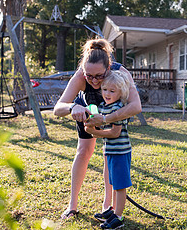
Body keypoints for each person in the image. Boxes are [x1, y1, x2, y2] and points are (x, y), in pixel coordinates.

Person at [53, 38, 141, 220]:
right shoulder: (80, 76)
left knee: (110, 154)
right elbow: (57, 108)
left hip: (114, 114)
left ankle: (108, 205)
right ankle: (72, 206)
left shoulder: (120, 72)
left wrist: (107, 118)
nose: (94, 81)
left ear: (108, 68)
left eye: (99, 76)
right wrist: (72, 107)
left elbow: (136, 106)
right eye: (89, 76)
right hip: (87, 112)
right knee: (84, 151)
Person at [85, 70, 132, 229]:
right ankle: (113, 210)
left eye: (112, 91)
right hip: (111, 151)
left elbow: (114, 132)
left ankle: (118, 217)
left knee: (119, 185)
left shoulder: (118, 108)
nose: (107, 93)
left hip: (120, 151)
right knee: (113, 182)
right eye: (105, 90)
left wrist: (94, 132)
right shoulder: (105, 106)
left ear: (121, 92)